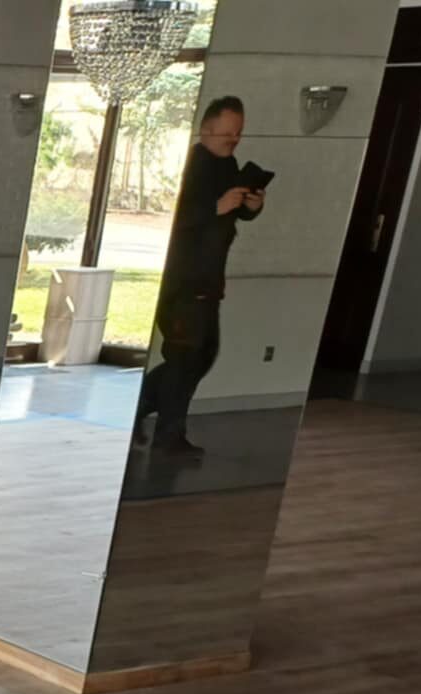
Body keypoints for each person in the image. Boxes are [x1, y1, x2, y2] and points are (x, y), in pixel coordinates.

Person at [135, 96, 266, 458]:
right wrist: (215, 207)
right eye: (227, 132)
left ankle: (137, 408)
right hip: (182, 283)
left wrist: (251, 207)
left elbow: (231, 215)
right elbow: (172, 220)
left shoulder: (229, 165)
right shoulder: (188, 167)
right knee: (185, 359)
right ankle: (167, 434)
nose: (234, 139)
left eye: (238, 132)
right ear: (206, 130)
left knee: (200, 356)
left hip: (209, 282)